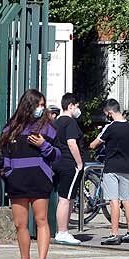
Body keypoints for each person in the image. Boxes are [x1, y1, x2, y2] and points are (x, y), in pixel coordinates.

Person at [0, 89, 57, 259]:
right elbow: (5, 154)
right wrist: (8, 172)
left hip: (40, 179)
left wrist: (43, 145)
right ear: (28, 105)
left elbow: (57, 155)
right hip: (17, 181)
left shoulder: (48, 128)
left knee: (41, 220)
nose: (41, 109)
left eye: (43, 105)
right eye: (38, 105)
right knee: (20, 223)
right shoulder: (11, 128)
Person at [92, 100, 129, 246]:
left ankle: (114, 233)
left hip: (111, 166)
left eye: (107, 114)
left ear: (110, 113)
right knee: (126, 200)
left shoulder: (110, 127)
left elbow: (94, 144)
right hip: (126, 167)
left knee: (113, 201)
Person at [50, 93, 85, 245]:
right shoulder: (70, 123)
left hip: (57, 162)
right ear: (71, 106)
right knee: (66, 198)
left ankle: (62, 230)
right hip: (69, 163)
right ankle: (62, 231)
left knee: (64, 198)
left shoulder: (56, 122)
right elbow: (72, 143)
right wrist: (79, 163)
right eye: (77, 106)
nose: (78, 109)